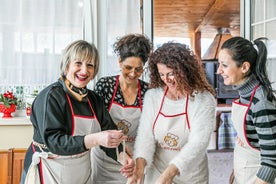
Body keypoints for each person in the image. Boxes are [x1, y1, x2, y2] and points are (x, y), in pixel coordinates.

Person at [20, 40, 134, 184]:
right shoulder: (51, 97)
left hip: (80, 172)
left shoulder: (94, 100)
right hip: (49, 170)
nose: (84, 71)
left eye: (90, 65)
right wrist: (96, 139)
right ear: (67, 65)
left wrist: (123, 156)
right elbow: (54, 142)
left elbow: (109, 132)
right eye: (78, 63)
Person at [128, 42, 217, 184]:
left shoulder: (203, 99)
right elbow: (145, 136)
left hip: (190, 176)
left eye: (171, 74)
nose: (166, 80)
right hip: (157, 173)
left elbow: (198, 143)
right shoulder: (153, 96)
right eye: (161, 74)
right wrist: (139, 169)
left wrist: (169, 175)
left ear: (185, 70)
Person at [91, 33, 152, 184]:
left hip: (133, 163)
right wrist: (121, 155)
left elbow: (149, 133)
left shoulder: (147, 92)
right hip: (105, 160)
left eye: (138, 69)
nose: (133, 74)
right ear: (119, 62)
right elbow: (99, 126)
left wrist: (136, 164)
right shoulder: (105, 86)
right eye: (128, 67)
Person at [217, 36, 276, 184]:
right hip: (243, 174)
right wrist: (236, 171)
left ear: (244, 67)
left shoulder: (260, 102)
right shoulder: (244, 94)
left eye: (224, 65)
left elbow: (272, 160)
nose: (219, 71)